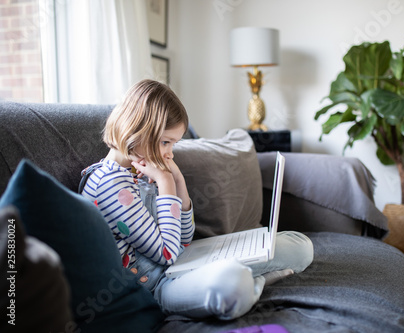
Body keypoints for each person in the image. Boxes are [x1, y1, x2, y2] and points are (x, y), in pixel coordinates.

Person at [81, 79, 314, 320]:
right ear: (137, 130)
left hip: (186, 262)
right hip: (157, 286)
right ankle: (259, 280)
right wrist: (166, 184)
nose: (170, 153)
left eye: (173, 143)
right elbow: (167, 254)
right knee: (233, 284)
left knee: (300, 246)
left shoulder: (142, 169)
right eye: (165, 142)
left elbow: (184, 238)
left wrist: (178, 181)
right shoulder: (111, 184)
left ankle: (249, 276)